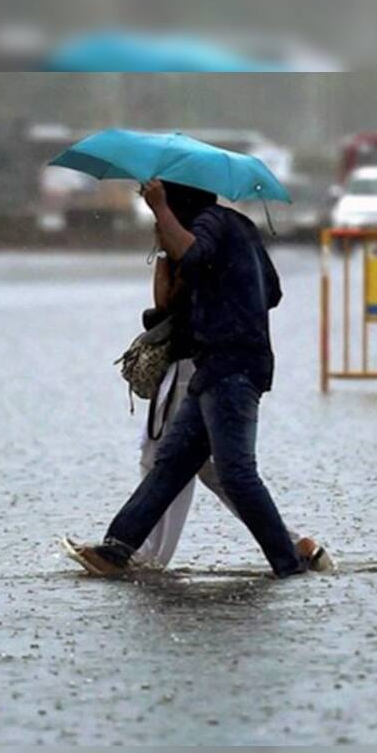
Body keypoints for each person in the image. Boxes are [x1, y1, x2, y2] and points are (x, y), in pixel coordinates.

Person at [68, 179, 310, 579]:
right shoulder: (236, 228)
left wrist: (160, 209)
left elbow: (194, 255)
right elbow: (270, 292)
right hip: (215, 366)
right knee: (172, 464)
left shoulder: (212, 222)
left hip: (233, 367)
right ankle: (115, 551)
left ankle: (288, 563)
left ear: (179, 201)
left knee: (235, 473)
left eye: (166, 202)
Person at [135, 232, 332, 572]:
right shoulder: (214, 237)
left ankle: (143, 554)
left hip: (195, 365)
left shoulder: (198, 240)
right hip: (202, 364)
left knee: (165, 457)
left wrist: (165, 246)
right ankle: (292, 543)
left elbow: (166, 303)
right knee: (208, 467)